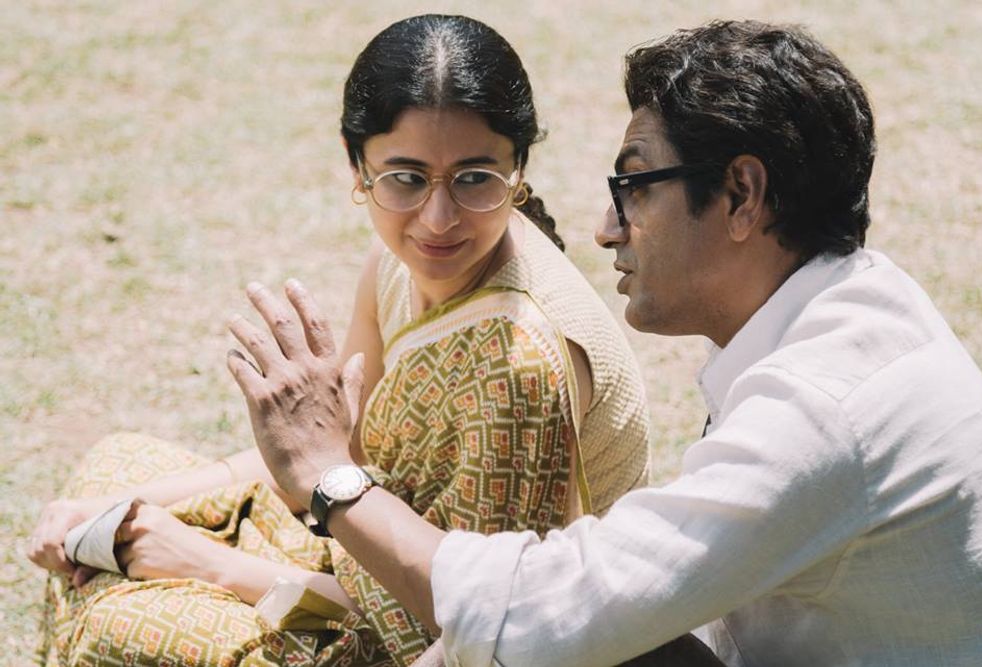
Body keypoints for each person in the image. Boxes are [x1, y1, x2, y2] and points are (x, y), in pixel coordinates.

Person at [229, 19, 982, 667]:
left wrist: (330, 478)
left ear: (741, 195)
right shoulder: (851, 308)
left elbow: (548, 612)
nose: (605, 230)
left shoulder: (822, 409)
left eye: (635, 187)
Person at [27, 15, 650, 666]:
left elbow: (478, 622)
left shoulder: (522, 365)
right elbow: (333, 455)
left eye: (474, 178)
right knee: (114, 472)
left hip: (460, 635)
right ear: (358, 168)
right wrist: (124, 508)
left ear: (517, 169)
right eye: (406, 178)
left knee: (123, 620)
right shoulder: (402, 263)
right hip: (363, 538)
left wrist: (207, 563)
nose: (438, 219)